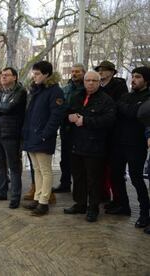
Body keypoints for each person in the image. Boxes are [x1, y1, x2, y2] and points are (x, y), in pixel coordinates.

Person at [63, 71, 116, 222]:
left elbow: (108, 120)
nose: (90, 83)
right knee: (78, 177)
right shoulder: (77, 96)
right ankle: (80, 204)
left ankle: (93, 208)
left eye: (94, 80)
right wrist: (69, 117)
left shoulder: (106, 100)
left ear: (99, 82)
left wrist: (85, 121)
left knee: (94, 180)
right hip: (76, 143)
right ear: (84, 82)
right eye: (88, 80)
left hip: (95, 145)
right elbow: (67, 112)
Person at [22, 61, 65, 216]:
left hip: (42, 137)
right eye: (34, 73)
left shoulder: (55, 91)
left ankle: (44, 202)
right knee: (37, 169)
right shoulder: (36, 90)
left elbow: (56, 116)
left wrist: (45, 135)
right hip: (31, 136)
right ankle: (37, 197)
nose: (34, 76)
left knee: (45, 170)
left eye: (37, 73)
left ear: (47, 74)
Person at [108, 67, 150, 226]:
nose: (133, 80)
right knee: (116, 175)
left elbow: (135, 113)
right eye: (132, 76)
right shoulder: (127, 95)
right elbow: (117, 110)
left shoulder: (147, 97)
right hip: (119, 143)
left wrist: (123, 107)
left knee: (137, 179)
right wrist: (126, 108)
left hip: (136, 145)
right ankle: (123, 206)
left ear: (146, 80)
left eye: (138, 77)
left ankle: (145, 213)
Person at [0, 67, 27, 209]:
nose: (3, 77)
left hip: (11, 133)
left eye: (6, 75)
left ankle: (15, 197)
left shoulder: (20, 92)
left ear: (14, 77)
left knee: (13, 166)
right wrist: (0, 107)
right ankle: (1, 191)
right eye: (2, 75)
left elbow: (9, 108)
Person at [94, 60, 128, 206]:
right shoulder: (98, 88)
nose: (101, 72)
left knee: (114, 169)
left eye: (104, 69)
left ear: (112, 72)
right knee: (100, 166)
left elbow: (118, 108)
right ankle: (104, 193)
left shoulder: (119, 86)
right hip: (100, 133)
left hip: (115, 133)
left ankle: (118, 199)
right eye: (99, 69)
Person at [53, 63, 85, 193]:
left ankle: (81, 187)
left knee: (79, 160)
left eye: (77, 71)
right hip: (65, 127)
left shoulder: (86, 89)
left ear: (83, 72)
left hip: (80, 128)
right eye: (72, 71)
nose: (74, 74)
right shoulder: (65, 89)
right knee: (65, 158)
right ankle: (65, 183)